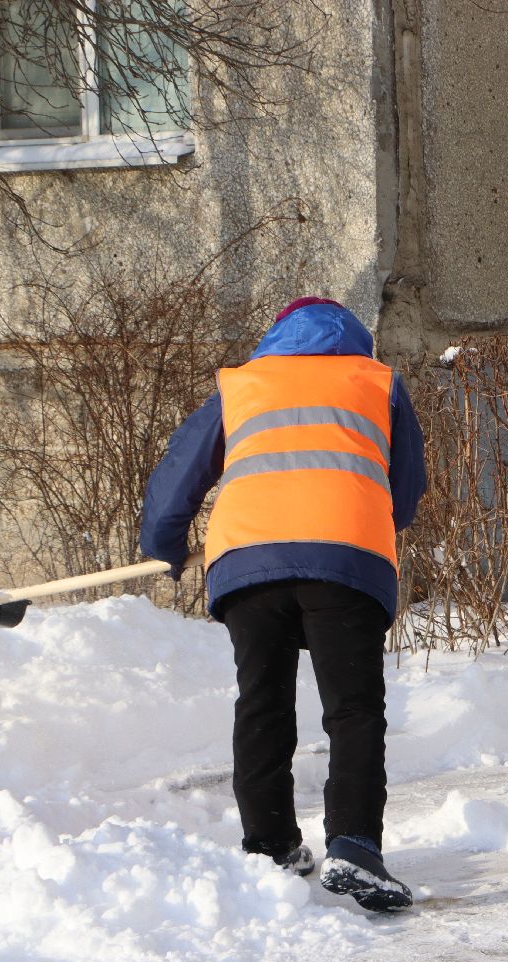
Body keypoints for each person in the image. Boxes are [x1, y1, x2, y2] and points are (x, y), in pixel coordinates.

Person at [140, 296, 427, 911]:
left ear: (277, 338)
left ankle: (269, 844)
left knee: (262, 700)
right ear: (355, 340)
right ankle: (354, 847)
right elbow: (404, 494)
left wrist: (166, 545)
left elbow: (179, 474)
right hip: (347, 558)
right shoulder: (378, 386)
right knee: (352, 709)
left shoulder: (244, 386)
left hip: (249, 562)